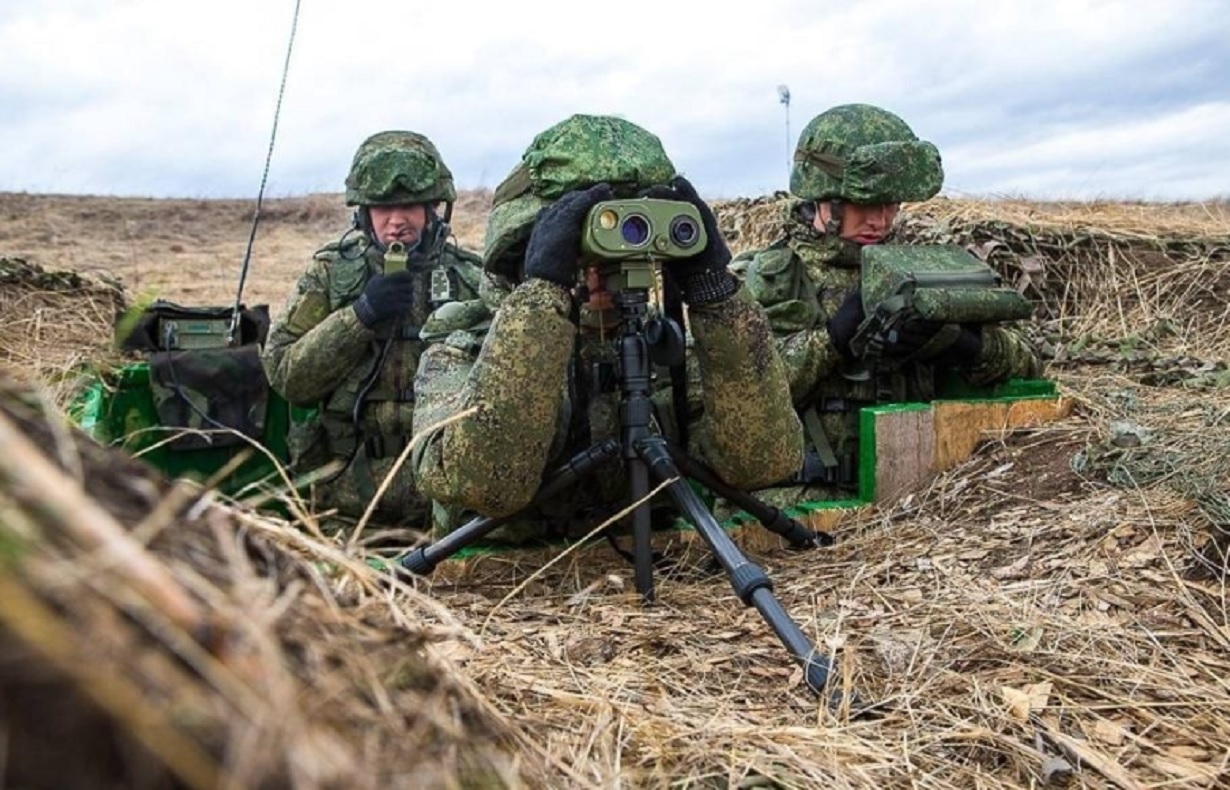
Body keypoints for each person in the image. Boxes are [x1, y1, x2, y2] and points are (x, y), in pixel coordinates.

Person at [409, 114, 803, 539]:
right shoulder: (461, 349)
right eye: (581, 252)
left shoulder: (664, 347)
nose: (602, 274)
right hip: (506, 577)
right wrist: (543, 296)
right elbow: (483, 487)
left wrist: (716, 295)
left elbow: (764, 462)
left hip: (661, 565)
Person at [734, 103, 1040, 499]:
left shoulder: (927, 270)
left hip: (923, 493)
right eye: (867, 204)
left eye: (891, 204)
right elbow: (729, 398)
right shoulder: (760, 277)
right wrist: (831, 340)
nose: (881, 220)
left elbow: (1028, 363)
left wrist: (963, 345)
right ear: (824, 198)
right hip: (800, 500)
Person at [262, 130, 485, 526]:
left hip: (446, 505)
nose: (396, 222)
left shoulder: (469, 277)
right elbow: (286, 374)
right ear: (363, 213)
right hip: (345, 500)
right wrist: (360, 315)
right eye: (382, 208)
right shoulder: (331, 273)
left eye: (410, 207)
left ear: (434, 209)